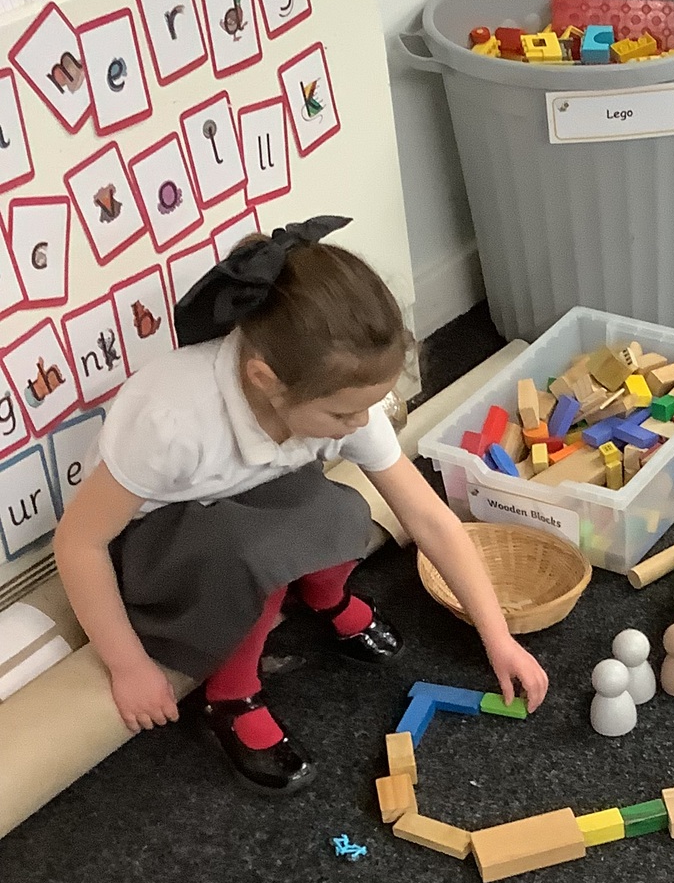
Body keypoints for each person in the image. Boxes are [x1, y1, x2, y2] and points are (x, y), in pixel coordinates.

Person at [53, 216, 548, 795]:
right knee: (261, 559)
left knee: (344, 513)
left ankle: (322, 596)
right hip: (153, 543)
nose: (360, 423)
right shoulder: (171, 421)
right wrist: (128, 665)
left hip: (239, 497)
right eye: (343, 415)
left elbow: (428, 518)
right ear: (265, 380)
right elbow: (79, 544)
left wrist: (497, 636)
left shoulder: (337, 395)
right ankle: (230, 694)